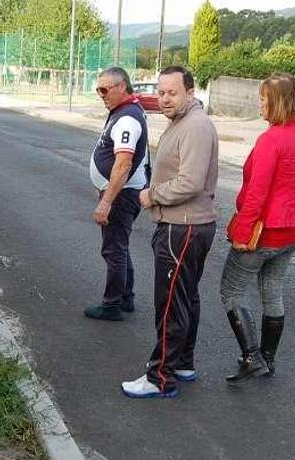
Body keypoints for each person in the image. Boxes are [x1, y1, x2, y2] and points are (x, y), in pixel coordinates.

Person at [121, 66, 219, 398]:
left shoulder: (195, 126)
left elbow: (190, 182)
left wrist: (152, 195)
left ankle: (160, 376)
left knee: (170, 303)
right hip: (184, 225)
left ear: (190, 93)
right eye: (161, 92)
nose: (164, 99)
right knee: (185, 297)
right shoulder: (183, 121)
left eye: (172, 92)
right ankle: (181, 362)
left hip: (184, 226)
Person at [220, 73, 295, 382]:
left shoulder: (271, 140)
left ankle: (252, 356)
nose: (259, 103)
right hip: (292, 230)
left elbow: (257, 193)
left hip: (264, 230)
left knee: (231, 291)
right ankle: (268, 358)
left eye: (264, 99)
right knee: (272, 289)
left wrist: (242, 233)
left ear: (278, 102)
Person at [84, 67, 150, 322]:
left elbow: (123, 163)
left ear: (122, 86)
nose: (101, 95)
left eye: (105, 89)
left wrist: (107, 202)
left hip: (122, 195)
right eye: (98, 89)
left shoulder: (127, 119)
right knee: (120, 247)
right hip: (123, 193)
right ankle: (125, 297)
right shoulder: (124, 113)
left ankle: (112, 305)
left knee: (114, 250)